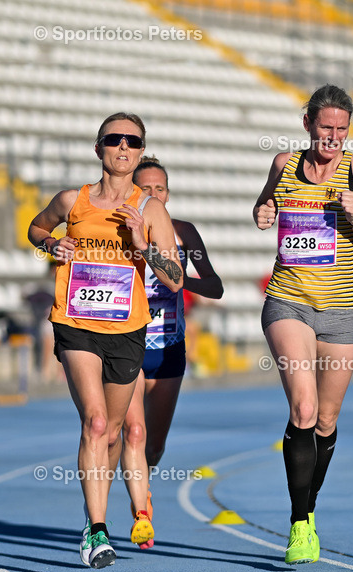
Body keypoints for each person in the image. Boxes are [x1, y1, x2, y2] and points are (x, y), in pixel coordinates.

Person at [27, 113, 183, 570]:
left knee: (114, 433)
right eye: (114, 139)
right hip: (75, 322)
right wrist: (50, 246)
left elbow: (175, 279)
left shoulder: (150, 210)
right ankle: (96, 529)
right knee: (95, 424)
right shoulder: (71, 200)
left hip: (127, 331)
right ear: (99, 148)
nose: (123, 147)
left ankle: (101, 507)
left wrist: (143, 244)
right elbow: (36, 228)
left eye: (132, 141)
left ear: (140, 150)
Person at [253, 84, 353, 565]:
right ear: (307, 123)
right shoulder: (284, 164)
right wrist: (263, 213)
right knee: (304, 409)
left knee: (326, 420)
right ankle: (298, 524)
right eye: (325, 126)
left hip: (343, 310)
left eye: (342, 129)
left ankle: (308, 509)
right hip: (289, 300)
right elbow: (263, 208)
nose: (333, 136)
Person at [117, 155, 223, 549]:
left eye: (159, 188)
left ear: (168, 194)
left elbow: (215, 286)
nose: (153, 194)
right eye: (144, 188)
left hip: (169, 349)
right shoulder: (117, 230)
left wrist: (177, 280)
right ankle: (141, 512)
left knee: (155, 446)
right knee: (134, 432)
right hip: (127, 344)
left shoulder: (183, 232)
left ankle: (143, 485)